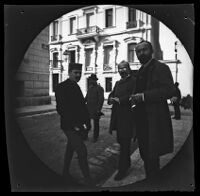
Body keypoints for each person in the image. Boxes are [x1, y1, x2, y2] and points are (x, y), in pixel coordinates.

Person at [130, 40, 175, 180]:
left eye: (144, 50)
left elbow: (169, 90)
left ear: (152, 51)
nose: (141, 53)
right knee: (145, 154)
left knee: (152, 156)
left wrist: (143, 96)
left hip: (154, 121)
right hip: (142, 121)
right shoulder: (140, 70)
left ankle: (154, 182)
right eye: (138, 51)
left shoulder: (161, 68)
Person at [55, 63, 93, 186]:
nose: (78, 75)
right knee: (82, 151)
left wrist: (88, 123)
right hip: (69, 126)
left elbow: (82, 107)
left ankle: (65, 173)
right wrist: (75, 125)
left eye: (79, 73)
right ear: (69, 72)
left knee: (70, 149)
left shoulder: (77, 87)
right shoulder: (61, 87)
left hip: (79, 125)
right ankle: (89, 181)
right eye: (75, 72)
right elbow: (61, 109)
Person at [108, 60, 136, 181]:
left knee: (125, 144)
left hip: (128, 118)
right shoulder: (118, 83)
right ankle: (127, 163)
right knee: (121, 141)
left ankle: (122, 169)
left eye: (124, 68)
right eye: (119, 68)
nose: (121, 71)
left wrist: (120, 100)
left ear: (128, 69)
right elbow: (112, 94)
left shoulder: (134, 81)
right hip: (118, 118)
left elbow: (134, 96)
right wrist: (110, 98)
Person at [85, 74, 104, 143]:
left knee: (96, 124)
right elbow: (86, 98)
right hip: (88, 108)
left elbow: (101, 99)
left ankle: (95, 137)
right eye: (90, 80)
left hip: (95, 109)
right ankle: (85, 135)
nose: (90, 81)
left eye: (92, 80)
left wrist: (98, 109)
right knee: (86, 123)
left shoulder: (99, 88)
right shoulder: (90, 88)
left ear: (95, 80)